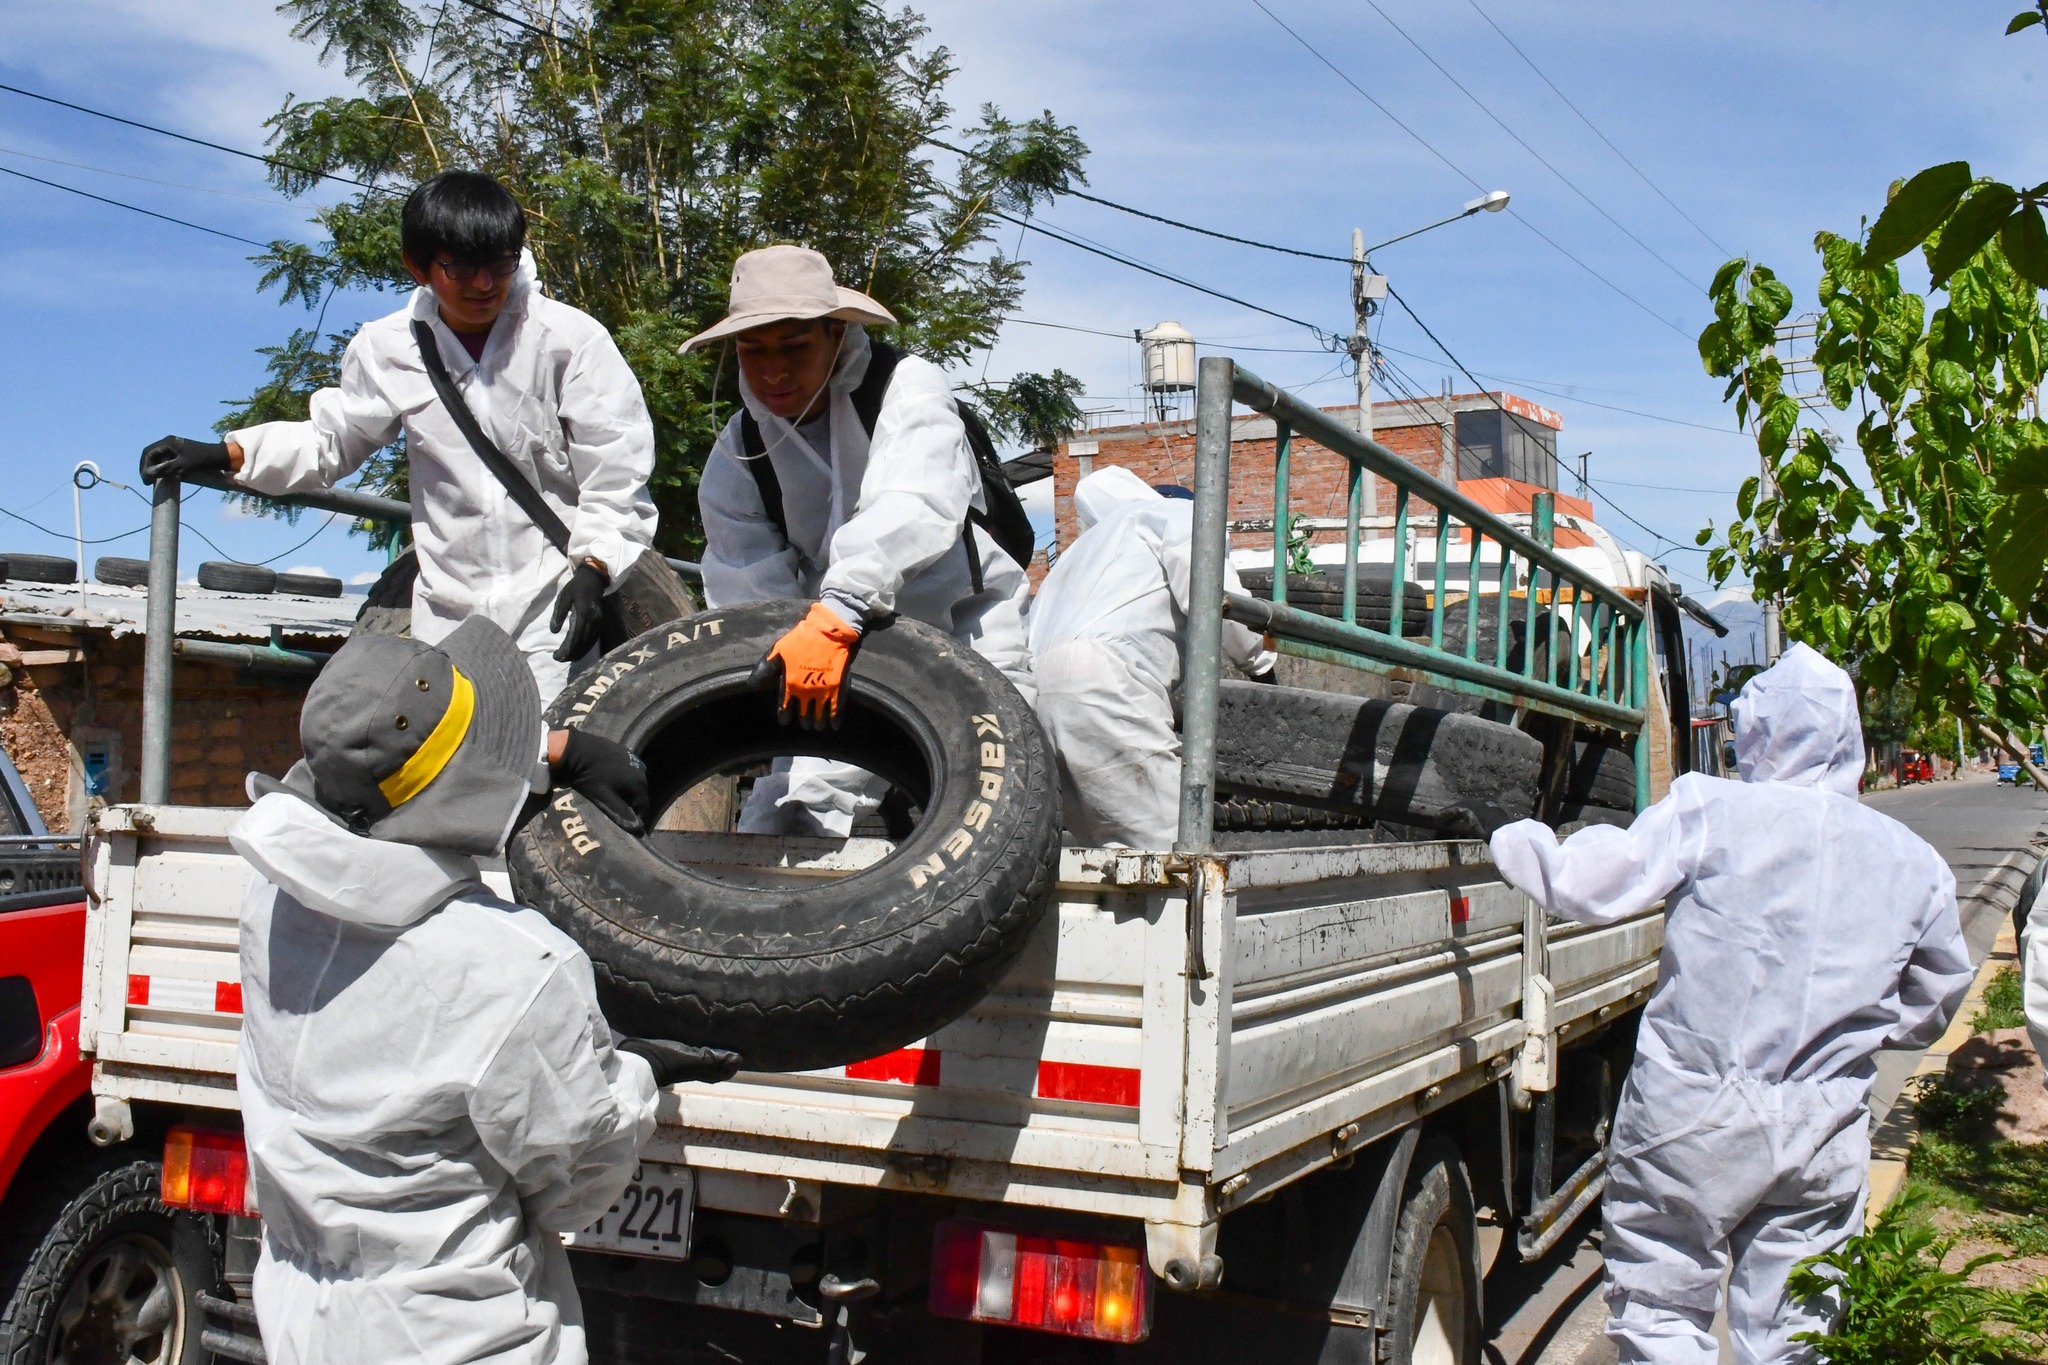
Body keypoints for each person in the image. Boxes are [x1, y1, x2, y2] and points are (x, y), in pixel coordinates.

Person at [230, 618, 736, 1365]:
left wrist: (547, 753)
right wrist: (633, 1078)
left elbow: (373, 784)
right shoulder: (514, 969)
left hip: (305, 1315)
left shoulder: (270, 903)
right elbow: (574, 1188)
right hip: (460, 1337)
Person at [1488, 643, 1971, 1364]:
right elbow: (1937, 994)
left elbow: (1593, 883)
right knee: (1797, 1330)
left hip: (1692, 1112)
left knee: (1659, 1309)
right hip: (1822, 1122)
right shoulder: (1913, 862)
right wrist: (1851, 1032)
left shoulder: (1710, 808)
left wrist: (1510, 833)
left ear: (1758, 729)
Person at [138, 169, 658, 705]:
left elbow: (616, 467)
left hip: (555, 603)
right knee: (455, 765)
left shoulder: (569, 340)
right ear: (418, 266)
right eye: (462, 267)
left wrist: (596, 569)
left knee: (543, 759)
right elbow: (333, 439)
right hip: (449, 612)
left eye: (500, 263)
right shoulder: (385, 349)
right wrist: (227, 452)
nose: (485, 284)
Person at [684, 244, 1033, 836]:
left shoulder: (906, 386)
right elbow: (742, 576)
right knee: (787, 814)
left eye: (793, 347)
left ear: (836, 334)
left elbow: (913, 501)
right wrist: (784, 651)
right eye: (753, 350)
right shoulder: (739, 450)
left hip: (964, 632)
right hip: (834, 652)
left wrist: (838, 610)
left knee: (1007, 799)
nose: (773, 371)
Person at [1028, 467, 1275, 848]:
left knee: (1100, 854)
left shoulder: (1081, 552)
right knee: (1175, 848)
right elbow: (1214, 597)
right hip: (1109, 683)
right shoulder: (1177, 516)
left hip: (1037, 699)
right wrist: (1262, 664)